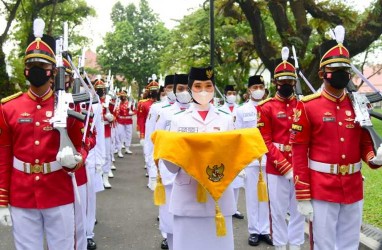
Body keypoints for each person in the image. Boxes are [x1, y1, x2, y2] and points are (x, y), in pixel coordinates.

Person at [290, 26, 382, 250]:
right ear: (323, 74)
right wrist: (302, 193)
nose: (343, 73)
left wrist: (374, 157)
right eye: (336, 69)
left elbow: (364, 142)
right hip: (322, 187)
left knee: (350, 244)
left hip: (352, 185)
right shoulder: (308, 106)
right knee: (325, 244)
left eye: (346, 69)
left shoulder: (357, 104)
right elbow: (299, 150)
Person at [0, 18, 85, 250]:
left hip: (58, 190)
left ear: (52, 72)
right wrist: (2, 201)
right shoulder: (8, 108)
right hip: (21, 194)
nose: (37, 71)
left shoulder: (68, 105)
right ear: (25, 69)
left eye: (43, 66)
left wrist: (76, 160)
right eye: (32, 65)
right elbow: (4, 156)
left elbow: (81, 144)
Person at [164, 66, 236, 250]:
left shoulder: (226, 119)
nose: (203, 91)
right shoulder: (178, 120)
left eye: (208, 86)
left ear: (214, 88)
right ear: (190, 89)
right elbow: (172, 166)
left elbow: (234, 156)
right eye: (197, 86)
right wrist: (168, 153)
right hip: (188, 193)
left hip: (218, 195)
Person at [256, 47, 305, 250]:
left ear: (295, 82)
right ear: (275, 82)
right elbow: (264, 141)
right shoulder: (265, 107)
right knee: (277, 211)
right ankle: (279, 245)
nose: (286, 85)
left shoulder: (304, 105)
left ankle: (295, 245)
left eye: (290, 81)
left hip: (301, 164)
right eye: (282, 81)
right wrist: (284, 166)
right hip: (277, 167)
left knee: (299, 210)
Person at [154, 73, 192, 249]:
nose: (184, 92)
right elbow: (156, 139)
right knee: (169, 213)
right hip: (170, 170)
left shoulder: (197, 111)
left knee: (188, 214)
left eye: (187, 88)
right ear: (174, 91)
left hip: (192, 170)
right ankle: (169, 240)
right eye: (180, 89)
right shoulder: (165, 112)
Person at [235, 75, 272, 246]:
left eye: (260, 86)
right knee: (252, 197)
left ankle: (265, 230)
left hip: (270, 159)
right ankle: (253, 231)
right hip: (250, 160)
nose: (258, 90)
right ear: (249, 90)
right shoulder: (242, 110)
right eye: (255, 87)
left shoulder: (270, 106)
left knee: (266, 197)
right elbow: (238, 138)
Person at [219, 85, 246, 220]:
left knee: (237, 181)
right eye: (229, 93)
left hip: (237, 147)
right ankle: (224, 206)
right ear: (225, 94)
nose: (232, 95)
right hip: (224, 148)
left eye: (234, 93)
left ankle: (234, 208)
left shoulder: (241, 109)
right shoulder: (219, 110)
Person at [94, 79, 115, 189]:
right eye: (97, 89)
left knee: (106, 153)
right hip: (94, 132)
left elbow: (114, 113)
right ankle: (97, 175)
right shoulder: (91, 101)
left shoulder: (107, 101)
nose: (99, 91)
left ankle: (105, 177)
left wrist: (110, 116)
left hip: (106, 130)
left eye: (101, 89)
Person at [115, 90, 135, 157]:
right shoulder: (118, 103)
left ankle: (127, 148)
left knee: (129, 134)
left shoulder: (130, 103)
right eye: (122, 96)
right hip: (120, 121)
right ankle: (119, 150)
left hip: (128, 120)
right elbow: (116, 111)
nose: (123, 97)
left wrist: (132, 112)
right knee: (120, 135)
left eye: (124, 96)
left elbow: (135, 110)